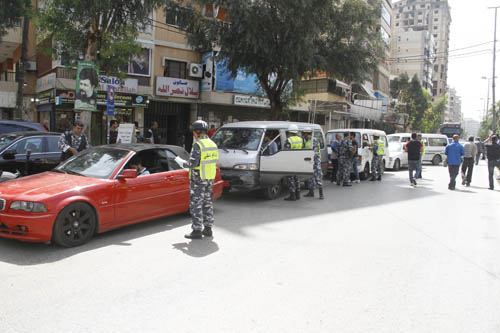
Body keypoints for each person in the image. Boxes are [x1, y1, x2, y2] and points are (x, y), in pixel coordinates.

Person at [174, 120, 219, 239]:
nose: (193, 134)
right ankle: (208, 229)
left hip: (198, 179)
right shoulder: (213, 144)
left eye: (194, 132)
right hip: (209, 178)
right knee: (207, 202)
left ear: (197, 132)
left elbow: (192, 164)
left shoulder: (198, 145)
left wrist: (181, 162)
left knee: (196, 204)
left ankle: (197, 230)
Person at [284, 124, 304, 200]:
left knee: (291, 178)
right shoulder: (300, 139)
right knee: (297, 178)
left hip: (291, 162)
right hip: (298, 161)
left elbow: (286, 152)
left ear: (290, 132)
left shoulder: (289, 140)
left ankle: (292, 196)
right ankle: (298, 195)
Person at [303, 128, 324, 199]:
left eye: (304, 134)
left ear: (308, 133)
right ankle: (311, 192)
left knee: (317, 177)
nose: (304, 135)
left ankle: (321, 194)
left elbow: (314, 152)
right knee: (310, 178)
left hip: (315, 161)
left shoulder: (313, 140)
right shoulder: (307, 141)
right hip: (309, 161)